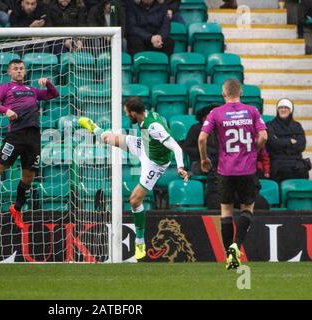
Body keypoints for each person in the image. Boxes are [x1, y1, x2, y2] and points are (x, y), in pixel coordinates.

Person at [78, 97, 188, 260]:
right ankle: (95, 128)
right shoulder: (146, 116)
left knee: (135, 201)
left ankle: (140, 241)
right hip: (144, 146)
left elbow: (176, 147)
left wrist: (180, 166)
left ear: (134, 113)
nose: (126, 115)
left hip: (155, 163)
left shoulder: (153, 126)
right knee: (108, 138)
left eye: (126, 113)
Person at [0, 59, 59, 229]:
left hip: (33, 136)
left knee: (29, 177)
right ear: (9, 72)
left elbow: (53, 95)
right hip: (15, 135)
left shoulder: (32, 90)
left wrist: (49, 83)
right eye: (15, 69)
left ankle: (16, 209)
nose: (19, 71)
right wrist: (5, 110)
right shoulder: (5, 88)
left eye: (21, 68)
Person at [198, 79, 268, 270]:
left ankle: (230, 253)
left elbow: (202, 138)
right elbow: (263, 136)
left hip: (225, 170)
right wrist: (253, 149)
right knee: (247, 208)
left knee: (226, 211)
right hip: (247, 169)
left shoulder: (216, 113)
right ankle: (237, 245)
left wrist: (204, 159)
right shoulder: (252, 111)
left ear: (223, 94)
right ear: (241, 92)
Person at [266, 98, 310, 182]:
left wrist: (280, 141)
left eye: (286, 107)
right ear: (277, 110)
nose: (283, 109)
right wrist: (290, 141)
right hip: (277, 162)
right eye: (280, 107)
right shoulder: (270, 125)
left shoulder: (297, 125)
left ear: (290, 110)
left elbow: (301, 146)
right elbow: (273, 143)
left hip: (295, 161)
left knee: (302, 169)